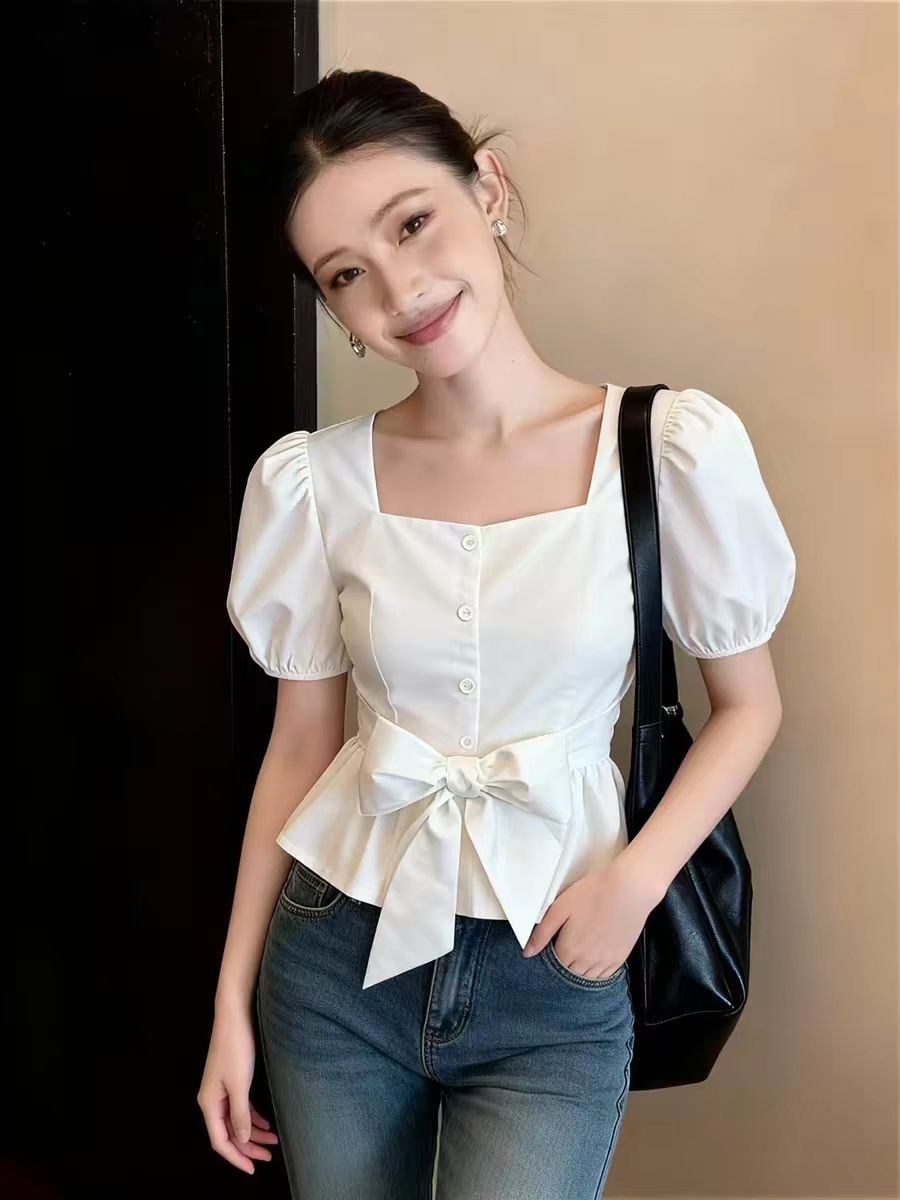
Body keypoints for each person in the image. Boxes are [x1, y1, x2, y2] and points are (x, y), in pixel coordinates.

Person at [197, 68, 797, 1200]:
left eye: (412, 223)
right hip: (335, 962)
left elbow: (750, 705)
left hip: (555, 972)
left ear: (489, 189)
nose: (401, 290)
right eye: (347, 275)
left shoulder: (664, 450)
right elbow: (299, 749)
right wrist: (230, 1005)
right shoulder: (314, 485)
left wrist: (634, 883)